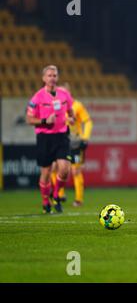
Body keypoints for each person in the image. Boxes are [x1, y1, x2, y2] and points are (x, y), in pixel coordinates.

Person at [26, 65, 74, 214]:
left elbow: (71, 111)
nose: (52, 78)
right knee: (46, 173)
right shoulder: (37, 97)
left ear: (57, 77)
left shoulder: (64, 94)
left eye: (54, 75)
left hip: (61, 135)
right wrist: (45, 120)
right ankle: (45, 202)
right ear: (43, 78)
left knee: (65, 169)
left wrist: (71, 118)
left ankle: (56, 195)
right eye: (49, 75)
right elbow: (29, 119)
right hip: (45, 137)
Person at [51, 83, 93, 207]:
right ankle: (60, 194)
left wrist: (85, 138)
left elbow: (88, 121)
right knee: (55, 168)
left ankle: (78, 199)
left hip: (75, 142)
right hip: (60, 140)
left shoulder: (77, 106)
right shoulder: (57, 106)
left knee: (75, 171)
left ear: (69, 93)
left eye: (65, 92)